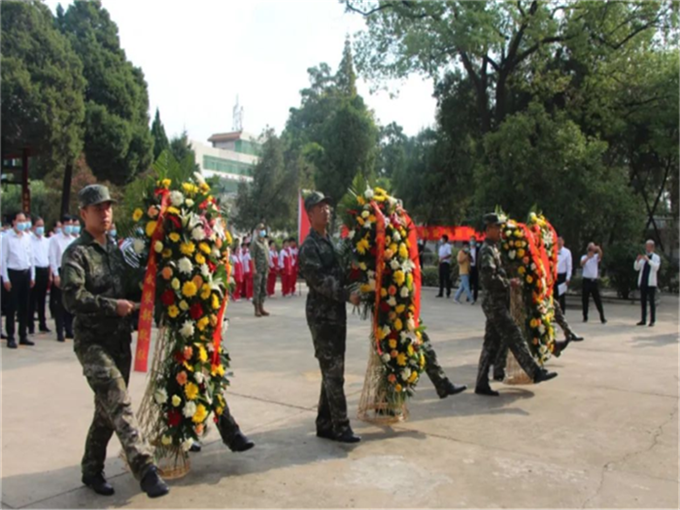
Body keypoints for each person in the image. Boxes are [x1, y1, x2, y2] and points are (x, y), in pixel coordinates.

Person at [61, 185, 169, 498]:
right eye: (98, 208)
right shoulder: (76, 253)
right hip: (92, 344)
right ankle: (145, 469)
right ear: (84, 214)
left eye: (108, 207)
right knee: (118, 400)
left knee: (107, 410)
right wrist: (113, 306)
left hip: (120, 341)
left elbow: (133, 289)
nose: (105, 213)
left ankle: (91, 469)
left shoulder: (118, 250)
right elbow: (72, 297)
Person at [299, 191, 362, 443]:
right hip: (321, 317)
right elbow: (319, 281)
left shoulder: (333, 242)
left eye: (327, 206)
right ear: (310, 214)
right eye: (320, 207)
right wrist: (347, 294)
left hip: (336, 314)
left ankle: (324, 423)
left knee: (332, 370)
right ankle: (341, 426)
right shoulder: (309, 247)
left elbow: (341, 272)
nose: (326, 211)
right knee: (334, 373)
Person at [475, 213, 557, 396]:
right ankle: (534, 372)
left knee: (490, 343)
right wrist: (508, 283)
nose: (500, 231)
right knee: (514, 334)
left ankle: (481, 383)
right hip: (494, 303)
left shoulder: (493, 248)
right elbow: (488, 279)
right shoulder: (487, 251)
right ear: (488, 229)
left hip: (495, 302)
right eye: (497, 227)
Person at [1, 211, 35, 348]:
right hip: (13, 273)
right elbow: (3, 259)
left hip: (25, 272)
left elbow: (31, 257)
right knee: (11, 307)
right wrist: (5, 278)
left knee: (24, 306)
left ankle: (23, 335)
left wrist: (32, 275)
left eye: (24, 220)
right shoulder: (7, 238)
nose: (22, 223)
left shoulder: (27, 237)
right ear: (14, 222)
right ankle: (10, 336)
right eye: (19, 220)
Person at [49, 215, 76, 342]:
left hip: (71, 271)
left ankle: (69, 329)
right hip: (60, 270)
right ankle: (60, 331)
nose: (69, 227)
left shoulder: (73, 239)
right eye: (67, 224)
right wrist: (55, 274)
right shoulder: (55, 239)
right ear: (63, 224)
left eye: (71, 224)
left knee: (69, 302)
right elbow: (53, 258)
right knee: (59, 303)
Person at [29, 217, 51, 334]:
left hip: (44, 270)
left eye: (42, 225)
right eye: (38, 225)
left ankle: (42, 323)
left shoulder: (46, 241)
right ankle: (30, 324)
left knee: (42, 299)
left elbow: (49, 257)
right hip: (35, 270)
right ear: (33, 227)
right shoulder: (29, 240)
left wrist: (49, 273)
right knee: (32, 299)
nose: (41, 228)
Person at [635, 240, 661, 327]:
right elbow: (636, 268)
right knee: (643, 302)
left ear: (652, 247)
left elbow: (656, 267)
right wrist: (637, 261)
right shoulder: (644, 257)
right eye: (646, 246)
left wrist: (648, 260)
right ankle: (643, 319)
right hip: (643, 282)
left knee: (652, 302)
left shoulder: (656, 257)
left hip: (651, 283)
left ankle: (652, 320)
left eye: (649, 246)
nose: (647, 248)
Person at [580, 242, 606, 324]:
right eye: (590, 249)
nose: (591, 250)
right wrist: (588, 257)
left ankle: (602, 317)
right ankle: (585, 316)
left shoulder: (595, 257)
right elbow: (581, 264)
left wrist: (598, 248)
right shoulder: (584, 257)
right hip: (586, 280)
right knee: (585, 299)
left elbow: (600, 255)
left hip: (593, 281)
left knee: (597, 299)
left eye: (592, 249)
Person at [250, 223, 270, 317]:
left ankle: (261, 307)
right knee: (257, 289)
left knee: (263, 288)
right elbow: (252, 257)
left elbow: (267, 255)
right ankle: (256, 308)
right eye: (261, 229)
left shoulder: (265, 241)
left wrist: (268, 266)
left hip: (265, 268)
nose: (262, 231)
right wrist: (254, 268)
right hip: (258, 268)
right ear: (257, 231)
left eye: (263, 229)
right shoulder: (254, 242)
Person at [555, 237, 572, 312]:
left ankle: (562, 312)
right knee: (554, 294)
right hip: (554, 275)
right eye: (558, 240)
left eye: (560, 240)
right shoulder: (553, 250)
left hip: (562, 275)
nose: (559, 242)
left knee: (561, 295)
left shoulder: (567, 252)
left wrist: (568, 277)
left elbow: (569, 266)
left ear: (563, 242)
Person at [469, 235, 479, 304]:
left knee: (475, 283)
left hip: (476, 267)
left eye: (473, 240)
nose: (472, 241)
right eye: (471, 240)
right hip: (469, 267)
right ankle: (469, 296)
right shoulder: (468, 249)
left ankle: (475, 297)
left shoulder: (478, 249)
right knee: (469, 283)